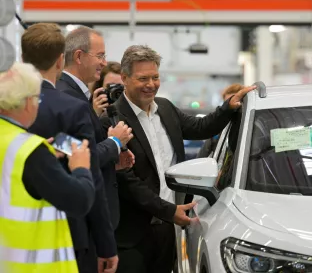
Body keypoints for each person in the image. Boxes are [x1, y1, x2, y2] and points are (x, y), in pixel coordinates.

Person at [100, 45, 255, 273]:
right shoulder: (112, 122)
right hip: (131, 236)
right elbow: (127, 182)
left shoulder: (165, 108)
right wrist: (168, 210)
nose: (151, 84)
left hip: (167, 230)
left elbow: (201, 127)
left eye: (155, 77)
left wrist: (227, 108)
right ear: (124, 78)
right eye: (143, 78)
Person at [22, 23, 118, 273]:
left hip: (14, 231)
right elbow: (91, 174)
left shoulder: (9, 107)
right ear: (59, 62)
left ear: (22, 58)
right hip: (68, 233)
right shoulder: (70, 109)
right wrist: (106, 245)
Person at [0, 62, 95, 273]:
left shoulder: (14, 144)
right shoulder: (30, 151)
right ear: (26, 103)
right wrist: (81, 168)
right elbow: (78, 200)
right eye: (37, 99)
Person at [57, 26, 135, 270]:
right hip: (85, 222)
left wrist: (113, 158)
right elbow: (78, 156)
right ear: (79, 56)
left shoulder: (75, 97)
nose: (104, 63)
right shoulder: (68, 99)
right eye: (100, 56)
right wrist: (114, 143)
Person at [197, 83, 244, 158]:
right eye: (227, 105)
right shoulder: (217, 134)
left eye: (235, 103)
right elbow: (201, 159)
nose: (231, 108)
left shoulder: (252, 128)